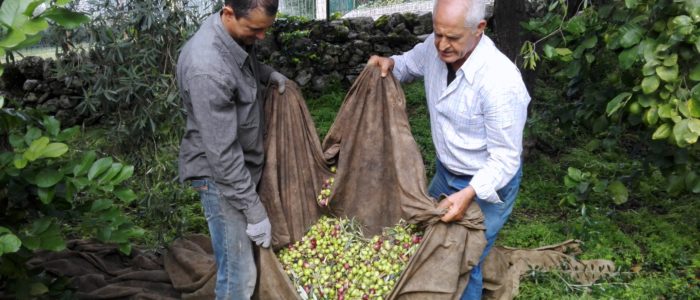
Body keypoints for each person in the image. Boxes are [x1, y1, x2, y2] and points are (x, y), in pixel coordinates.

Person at [367, 0, 530, 298]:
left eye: (452, 38)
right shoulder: (435, 46)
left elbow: (505, 158)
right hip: (446, 172)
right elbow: (407, 64)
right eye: (437, 33)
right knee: (424, 240)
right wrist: (390, 63)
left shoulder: (500, 82)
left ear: (479, 29)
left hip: (485, 184)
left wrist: (468, 194)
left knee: (464, 261)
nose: (441, 45)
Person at [175, 0, 288, 298]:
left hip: (235, 167)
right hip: (219, 178)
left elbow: (241, 64)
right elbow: (223, 157)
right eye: (255, 29)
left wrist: (266, 74)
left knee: (240, 263)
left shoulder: (231, 35)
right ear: (228, 13)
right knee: (240, 275)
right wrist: (254, 212)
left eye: (266, 29)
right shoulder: (206, 69)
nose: (261, 37)